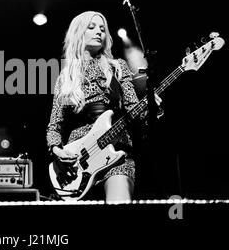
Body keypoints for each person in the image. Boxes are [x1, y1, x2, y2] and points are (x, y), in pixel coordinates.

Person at [46, 11, 162, 202]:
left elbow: (134, 110)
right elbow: (54, 126)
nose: (99, 32)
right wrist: (58, 152)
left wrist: (150, 107)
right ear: (78, 34)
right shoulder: (65, 78)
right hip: (77, 163)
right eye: (91, 27)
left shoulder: (117, 67)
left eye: (102, 28)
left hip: (116, 153)